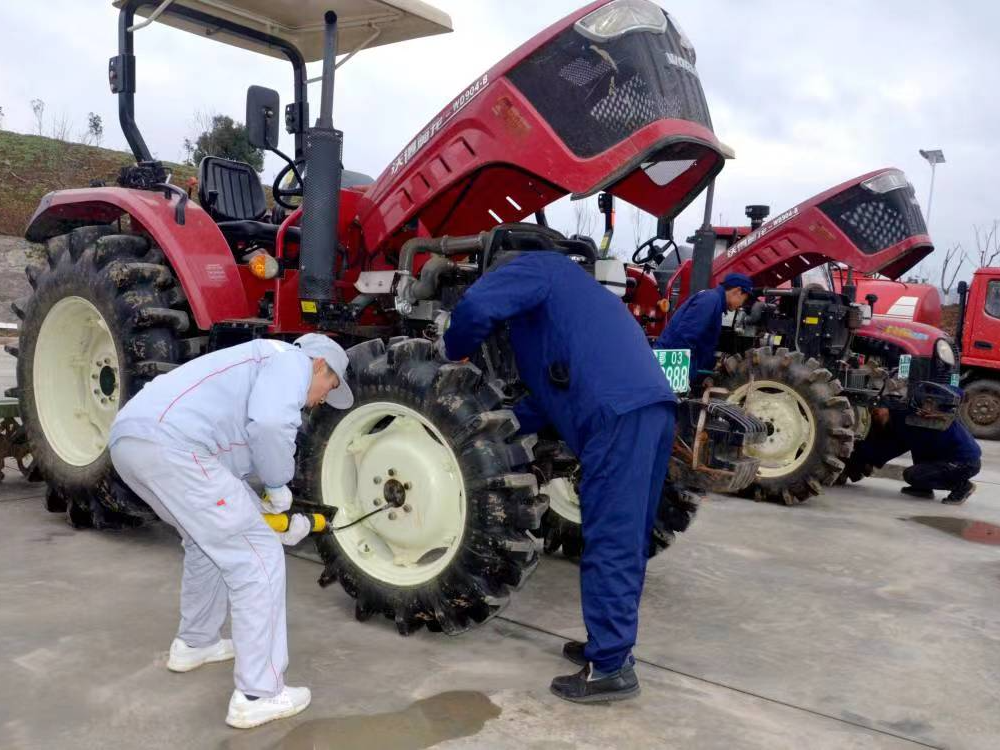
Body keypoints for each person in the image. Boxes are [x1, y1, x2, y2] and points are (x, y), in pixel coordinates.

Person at [441, 251, 676, 704]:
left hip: (616, 416)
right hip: (648, 408)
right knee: (627, 538)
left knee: (611, 540)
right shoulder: (572, 299)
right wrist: (499, 425)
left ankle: (610, 668)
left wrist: (451, 352)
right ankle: (608, 646)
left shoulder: (535, 267)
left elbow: (476, 308)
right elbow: (549, 398)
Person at [108, 334, 353, 728]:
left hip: (134, 443)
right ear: (319, 364)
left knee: (204, 541)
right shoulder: (291, 360)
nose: (324, 398)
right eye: (331, 386)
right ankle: (259, 694)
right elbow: (270, 424)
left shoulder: (249, 373)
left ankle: (195, 643)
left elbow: (223, 486)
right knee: (257, 559)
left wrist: (272, 520)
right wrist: (278, 486)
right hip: (175, 446)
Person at [848, 407, 980, 504]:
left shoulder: (906, 420)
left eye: (875, 412)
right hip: (957, 457)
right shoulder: (905, 413)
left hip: (964, 462)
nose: (875, 415)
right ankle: (923, 488)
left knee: (911, 475)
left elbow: (892, 447)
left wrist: (865, 459)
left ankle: (962, 486)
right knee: (919, 450)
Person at [655, 273, 754, 385]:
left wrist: (701, 377)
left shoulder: (714, 301)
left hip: (680, 368)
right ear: (737, 291)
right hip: (670, 368)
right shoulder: (710, 300)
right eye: (744, 299)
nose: (741, 304)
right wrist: (679, 376)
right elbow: (685, 337)